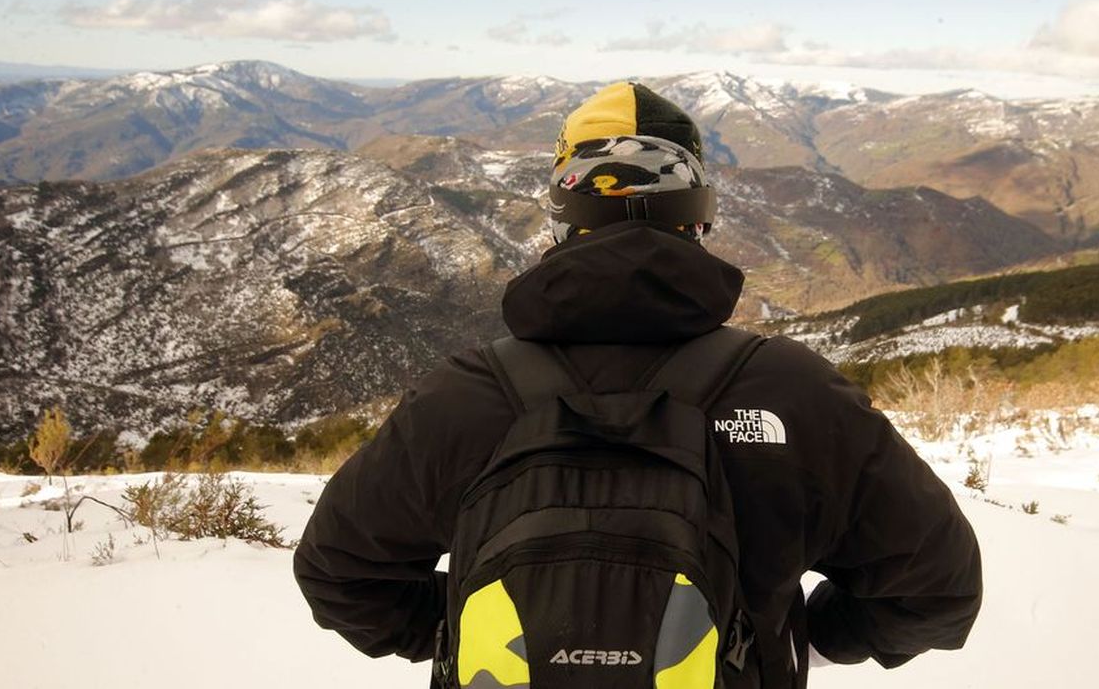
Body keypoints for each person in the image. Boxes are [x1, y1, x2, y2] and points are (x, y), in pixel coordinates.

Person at [293, 81, 982, 687]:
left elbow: (339, 573)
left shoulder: (462, 399)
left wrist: (465, 633)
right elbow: (937, 589)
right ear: (697, 216)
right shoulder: (795, 395)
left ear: (562, 218)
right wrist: (797, 639)